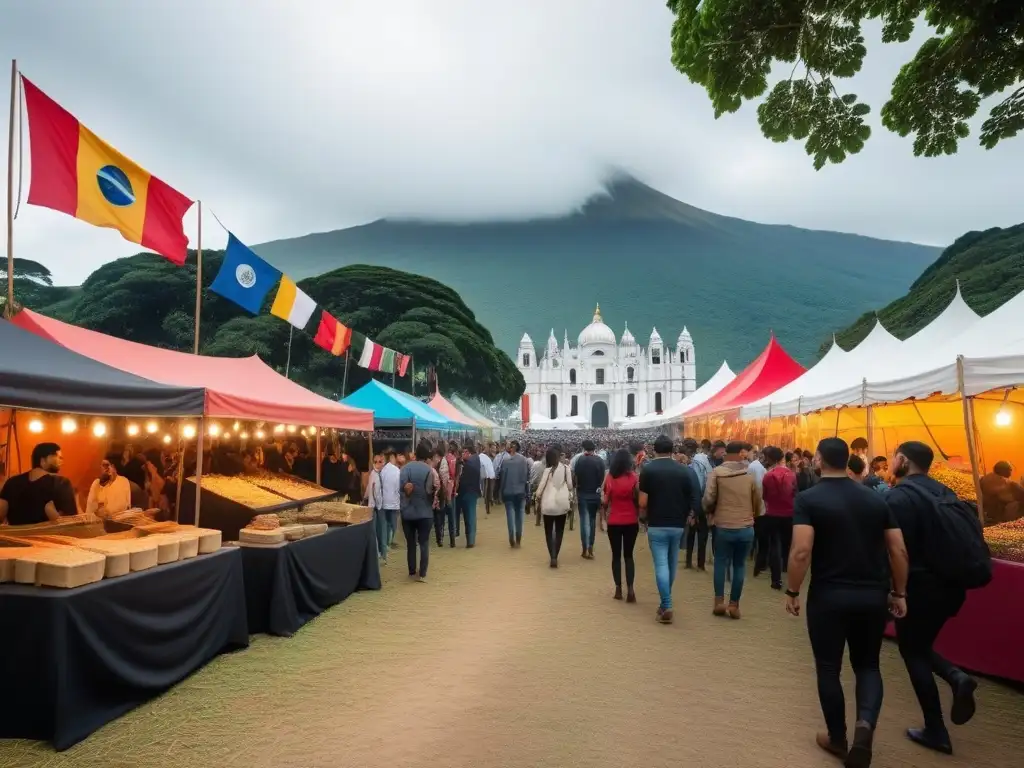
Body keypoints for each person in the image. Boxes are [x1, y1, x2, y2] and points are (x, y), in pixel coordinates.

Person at [786, 437, 909, 768]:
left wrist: (792, 590)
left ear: (820, 460)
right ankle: (864, 730)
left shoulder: (809, 499)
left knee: (829, 667)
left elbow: (801, 550)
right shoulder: (875, 498)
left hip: (829, 595)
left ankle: (838, 738)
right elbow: (898, 550)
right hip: (872, 595)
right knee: (868, 665)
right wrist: (899, 592)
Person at [886, 441, 979, 755]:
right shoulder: (944, 492)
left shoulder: (900, 496)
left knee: (912, 652)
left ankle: (936, 729)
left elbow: (896, 550)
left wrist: (895, 591)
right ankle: (956, 678)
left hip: (921, 586)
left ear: (903, 460)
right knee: (919, 646)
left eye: (892, 458)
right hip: (951, 586)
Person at [639, 434, 700, 625]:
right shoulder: (684, 470)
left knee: (661, 564)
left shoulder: (648, 470)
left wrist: (643, 516)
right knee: (672, 562)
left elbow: (642, 501)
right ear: (672, 450)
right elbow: (695, 497)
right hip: (678, 523)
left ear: (654, 449)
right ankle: (665, 602)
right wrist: (691, 515)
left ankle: (667, 602)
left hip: (657, 523)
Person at [703, 441, 761, 619]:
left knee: (720, 562)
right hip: (745, 527)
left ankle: (719, 602)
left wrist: (708, 511)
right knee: (740, 565)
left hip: (724, 525)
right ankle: (734, 605)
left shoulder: (717, 473)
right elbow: (758, 502)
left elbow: (708, 498)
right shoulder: (749, 474)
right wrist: (752, 517)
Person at [0, 442, 73, 525]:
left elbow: (1, 514)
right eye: (59, 457)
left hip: (15, 537)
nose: (61, 461)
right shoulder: (61, 483)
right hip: (48, 536)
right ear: (44, 460)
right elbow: (70, 523)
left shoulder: (12, 482)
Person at [602, 448, 639, 602]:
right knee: (629, 555)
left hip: (614, 520)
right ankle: (630, 589)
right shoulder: (634, 478)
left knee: (616, 556)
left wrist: (603, 515)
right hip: (631, 520)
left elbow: (605, 500)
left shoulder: (610, 477)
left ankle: (618, 588)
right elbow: (638, 499)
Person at [757, 446, 796, 590]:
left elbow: (764, 496)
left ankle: (776, 580)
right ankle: (790, 573)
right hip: (789, 514)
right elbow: (795, 493)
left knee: (775, 545)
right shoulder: (791, 474)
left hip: (772, 513)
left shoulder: (768, 475)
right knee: (789, 546)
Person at [399, 443, 436, 582]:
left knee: (410, 543)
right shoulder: (429, 470)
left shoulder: (405, 468)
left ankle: (411, 570)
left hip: (408, 512)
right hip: (425, 512)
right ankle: (423, 573)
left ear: (415, 454)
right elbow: (431, 491)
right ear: (426, 456)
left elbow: (400, 488)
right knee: (424, 543)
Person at [536, 447, 573, 567]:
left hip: (548, 505)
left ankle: (551, 555)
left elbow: (540, 488)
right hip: (561, 504)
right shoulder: (566, 469)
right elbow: (570, 486)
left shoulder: (547, 471)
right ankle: (555, 556)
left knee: (548, 532)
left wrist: (536, 497)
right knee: (559, 531)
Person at [573, 439, 606, 559]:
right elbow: (602, 478)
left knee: (584, 522)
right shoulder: (600, 461)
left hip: (583, 494)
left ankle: (585, 547)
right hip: (595, 495)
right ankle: (591, 546)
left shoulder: (580, 460)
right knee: (592, 522)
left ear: (583, 448)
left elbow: (576, 477)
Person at [683, 438, 711, 570]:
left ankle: (691, 561)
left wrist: (694, 510)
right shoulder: (703, 460)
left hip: (696, 501)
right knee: (701, 533)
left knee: (693, 532)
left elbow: (697, 485)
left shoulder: (696, 462)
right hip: (703, 500)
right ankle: (700, 562)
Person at [499, 439, 530, 548]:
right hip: (521, 491)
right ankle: (518, 539)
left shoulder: (505, 461)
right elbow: (527, 478)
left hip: (508, 492)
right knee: (520, 516)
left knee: (510, 515)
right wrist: (528, 493)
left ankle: (511, 537)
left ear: (511, 448)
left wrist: (501, 492)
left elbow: (502, 478)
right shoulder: (524, 460)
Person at [86, 454, 133, 518]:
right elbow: (89, 509)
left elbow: (126, 506)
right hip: (99, 521)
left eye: (106, 465)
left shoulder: (123, 481)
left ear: (114, 467)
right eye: (102, 465)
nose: (103, 469)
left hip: (118, 521)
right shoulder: (96, 483)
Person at [979, 460, 1024, 525]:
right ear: (1004, 470)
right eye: (1010, 470)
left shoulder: (983, 478)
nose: (1011, 472)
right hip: (999, 516)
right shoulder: (1007, 483)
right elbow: (1020, 494)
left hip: (986, 512)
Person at [456, 443, 482, 548]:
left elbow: (463, 480)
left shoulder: (468, 464)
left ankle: (470, 540)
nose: (462, 454)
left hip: (467, 492)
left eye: (463, 452)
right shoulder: (476, 460)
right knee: (472, 515)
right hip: (474, 491)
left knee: (469, 516)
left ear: (467, 452)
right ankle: (471, 539)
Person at [365, 452, 388, 563]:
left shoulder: (375, 474)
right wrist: (379, 505)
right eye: (376, 462)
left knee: (377, 530)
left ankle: (379, 552)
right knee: (379, 530)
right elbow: (375, 492)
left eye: (380, 461)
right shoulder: (376, 475)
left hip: (373, 506)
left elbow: (369, 490)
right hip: (376, 507)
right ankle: (379, 553)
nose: (379, 464)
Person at [433, 447, 456, 548]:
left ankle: (440, 538)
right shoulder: (452, 459)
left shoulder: (442, 463)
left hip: (443, 493)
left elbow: (444, 478)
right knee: (451, 517)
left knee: (440, 516)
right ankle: (452, 540)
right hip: (450, 492)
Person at [380, 449, 402, 549]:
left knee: (386, 523)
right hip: (394, 501)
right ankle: (392, 540)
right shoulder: (397, 471)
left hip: (384, 501)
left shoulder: (383, 470)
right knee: (393, 522)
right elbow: (399, 487)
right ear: (392, 458)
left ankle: (386, 542)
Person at [478, 444, 495, 515]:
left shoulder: (490, 456)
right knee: (486, 491)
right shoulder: (482, 456)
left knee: (488, 491)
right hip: (484, 476)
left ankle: (488, 506)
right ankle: (487, 507)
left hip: (489, 476)